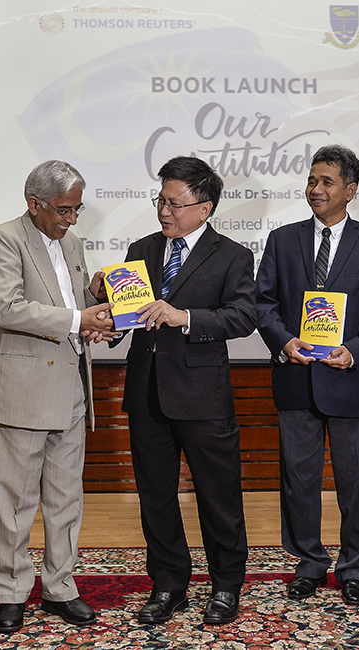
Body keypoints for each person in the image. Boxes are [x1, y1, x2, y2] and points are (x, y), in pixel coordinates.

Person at [113, 156, 256, 626]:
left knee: (218, 496)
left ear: (204, 207)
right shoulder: (141, 249)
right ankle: (169, 584)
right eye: (161, 201)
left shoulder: (232, 255)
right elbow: (128, 316)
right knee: (155, 497)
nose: (164, 211)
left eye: (174, 203)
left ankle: (226, 584)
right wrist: (105, 317)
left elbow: (243, 316)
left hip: (202, 396)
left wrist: (185, 317)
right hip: (146, 392)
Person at [256, 144, 359, 605]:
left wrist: (354, 351)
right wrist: (284, 342)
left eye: (326, 182)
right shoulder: (282, 239)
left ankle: (358, 569)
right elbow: (263, 303)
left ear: (350, 190)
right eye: (312, 180)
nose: (315, 189)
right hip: (296, 379)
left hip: (351, 380)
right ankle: (309, 563)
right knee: (299, 483)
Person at [0, 160, 116, 634]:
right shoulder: (4, 238)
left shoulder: (72, 243)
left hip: (72, 389)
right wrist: (80, 319)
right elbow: (8, 308)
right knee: (15, 501)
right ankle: (11, 591)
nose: (72, 219)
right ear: (34, 204)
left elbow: (73, 308)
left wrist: (95, 302)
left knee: (65, 498)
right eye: (64, 210)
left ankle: (60, 586)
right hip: (25, 390)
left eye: (77, 210)